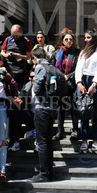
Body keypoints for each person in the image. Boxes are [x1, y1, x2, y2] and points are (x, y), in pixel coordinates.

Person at [75, 29, 97, 153]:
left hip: (96, 83)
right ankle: (84, 141)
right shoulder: (84, 52)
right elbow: (79, 67)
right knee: (83, 112)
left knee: (95, 113)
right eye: (85, 37)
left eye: (88, 37)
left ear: (94, 38)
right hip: (83, 81)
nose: (86, 40)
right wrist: (79, 82)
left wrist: (94, 84)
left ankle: (95, 141)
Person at [28, 49, 57, 183]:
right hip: (52, 108)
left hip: (42, 108)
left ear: (35, 58)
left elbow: (37, 87)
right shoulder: (52, 67)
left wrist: (35, 91)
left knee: (42, 141)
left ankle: (44, 174)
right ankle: (49, 172)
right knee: (48, 140)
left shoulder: (39, 67)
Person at [53, 31, 79, 140]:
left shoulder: (77, 53)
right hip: (60, 83)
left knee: (74, 107)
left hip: (72, 82)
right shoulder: (57, 52)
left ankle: (75, 130)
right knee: (61, 108)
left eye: (71, 39)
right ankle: (60, 131)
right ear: (62, 41)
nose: (69, 41)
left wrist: (69, 76)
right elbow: (53, 67)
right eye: (66, 39)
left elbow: (79, 68)